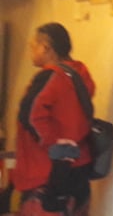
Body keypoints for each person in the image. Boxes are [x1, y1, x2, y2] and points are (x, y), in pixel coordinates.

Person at [14, 23, 96, 216]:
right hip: (80, 168)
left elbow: (30, 116)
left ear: (46, 48)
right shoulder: (79, 75)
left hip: (48, 176)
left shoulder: (50, 77)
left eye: (33, 45)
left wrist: (55, 146)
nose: (31, 50)